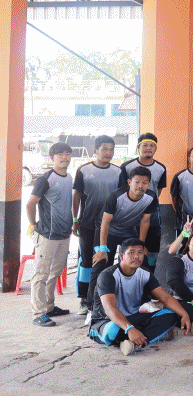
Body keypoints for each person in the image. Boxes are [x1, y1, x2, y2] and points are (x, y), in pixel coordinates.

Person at [88, 238, 190, 356]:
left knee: (171, 314)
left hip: (133, 318)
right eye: (131, 252)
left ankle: (132, 343)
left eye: (140, 252)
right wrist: (129, 329)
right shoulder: (108, 275)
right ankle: (139, 336)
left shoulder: (145, 273)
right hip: (106, 321)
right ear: (122, 256)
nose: (136, 256)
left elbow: (165, 298)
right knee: (112, 330)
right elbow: (110, 309)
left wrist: (184, 314)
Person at [87, 166, 158, 324]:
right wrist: (102, 249)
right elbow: (105, 222)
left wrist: (141, 247)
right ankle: (91, 308)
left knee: (141, 262)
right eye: (137, 182)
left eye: (145, 182)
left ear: (149, 184)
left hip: (128, 230)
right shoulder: (116, 196)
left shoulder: (151, 197)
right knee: (100, 263)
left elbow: (145, 221)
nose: (140, 186)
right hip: (108, 230)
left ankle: (143, 302)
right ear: (129, 182)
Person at [73, 135, 121, 315]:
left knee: (104, 262)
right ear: (95, 150)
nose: (108, 153)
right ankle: (84, 299)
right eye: (104, 149)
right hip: (87, 223)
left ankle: (101, 297)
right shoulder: (84, 170)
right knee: (87, 261)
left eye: (111, 150)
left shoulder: (118, 172)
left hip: (109, 226)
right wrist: (75, 219)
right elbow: (76, 195)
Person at [27, 142, 73, 327]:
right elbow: (30, 203)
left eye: (67, 154)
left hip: (64, 234)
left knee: (55, 272)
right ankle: (38, 313)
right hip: (47, 234)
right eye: (60, 154)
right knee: (41, 274)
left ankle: (49, 307)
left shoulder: (69, 177)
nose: (64, 157)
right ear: (52, 157)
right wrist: (33, 225)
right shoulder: (45, 179)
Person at [119, 133, 168, 270]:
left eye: (152, 145)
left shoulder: (161, 168)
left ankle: (148, 279)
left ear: (156, 148)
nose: (148, 148)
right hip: (130, 217)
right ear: (138, 148)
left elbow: (158, 190)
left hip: (153, 218)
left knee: (151, 255)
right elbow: (122, 190)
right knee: (127, 254)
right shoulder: (126, 166)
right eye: (145, 145)